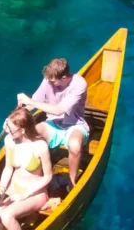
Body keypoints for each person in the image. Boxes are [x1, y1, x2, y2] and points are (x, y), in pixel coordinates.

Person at [0, 107, 53, 230]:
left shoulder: (40, 146)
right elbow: (8, 168)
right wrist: (3, 187)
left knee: (7, 216)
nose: (8, 132)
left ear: (23, 130)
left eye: (11, 129)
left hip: (35, 192)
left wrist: (23, 196)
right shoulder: (9, 141)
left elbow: (48, 177)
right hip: (14, 188)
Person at [17, 58, 89, 189]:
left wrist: (32, 102)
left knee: (75, 145)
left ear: (64, 77)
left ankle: (71, 182)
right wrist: (17, 114)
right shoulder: (48, 80)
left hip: (74, 125)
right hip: (53, 124)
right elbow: (34, 102)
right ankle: (35, 177)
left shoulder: (79, 84)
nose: (50, 83)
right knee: (29, 134)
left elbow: (59, 110)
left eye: (53, 81)